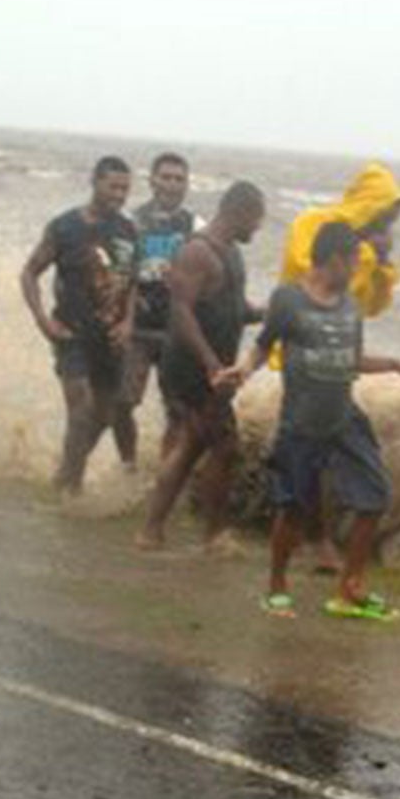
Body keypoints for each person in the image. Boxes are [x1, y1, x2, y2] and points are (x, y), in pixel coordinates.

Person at [237, 222, 400, 619]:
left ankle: (349, 590)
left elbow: (352, 359)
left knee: (375, 495)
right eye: (353, 261)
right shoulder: (288, 299)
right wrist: (243, 370)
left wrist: (399, 364)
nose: (356, 270)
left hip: (344, 415)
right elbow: (264, 347)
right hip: (302, 419)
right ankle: (276, 588)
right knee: (293, 508)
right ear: (333, 259)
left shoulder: (350, 305)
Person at [276, 162, 400, 569]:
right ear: (368, 204)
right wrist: (367, 254)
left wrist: (382, 265)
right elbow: (309, 274)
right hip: (303, 359)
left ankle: (321, 539)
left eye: (392, 219)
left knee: (329, 460)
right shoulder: (316, 223)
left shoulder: (364, 251)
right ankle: (313, 543)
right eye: (384, 215)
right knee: (309, 461)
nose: (386, 224)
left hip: (337, 362)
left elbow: (369, 306)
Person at [135, 180, 265, 552]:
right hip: (192, 368)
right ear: (237, 212)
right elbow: (181, 312)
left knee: (195, 446)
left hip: (215, 369)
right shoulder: (196, 251)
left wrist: (277, 313)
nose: (257, 228)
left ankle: (154, 529)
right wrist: (210, 364)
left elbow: (235, 310)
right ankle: (211, 534)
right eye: (255, 220)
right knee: (222, 446)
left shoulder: (231, 253)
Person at [20, 156, 140, 493]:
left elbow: (131, 282)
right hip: (71, 334)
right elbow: (29, 273)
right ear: (95, 182)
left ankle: (64, 472)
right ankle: (71, 490)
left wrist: (129, 322)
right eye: (113, 186)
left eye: (126, 189)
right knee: (82, 410)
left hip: (111, 339)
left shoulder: (128, 230)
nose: (119, 195)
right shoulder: (64, 227)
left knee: (104, 416)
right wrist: (42, 320)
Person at [121, 152, 198, 455]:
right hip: (136, 327)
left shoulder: (195, 225)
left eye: (179, 179)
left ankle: (165, 471)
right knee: (121, 404)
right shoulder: (130, 221)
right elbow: (117, 270)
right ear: (152, 180)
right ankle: (129, 463)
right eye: (165, 177)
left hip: (176, 332)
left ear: (187, 185)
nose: (172, 184)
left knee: (177, 410)